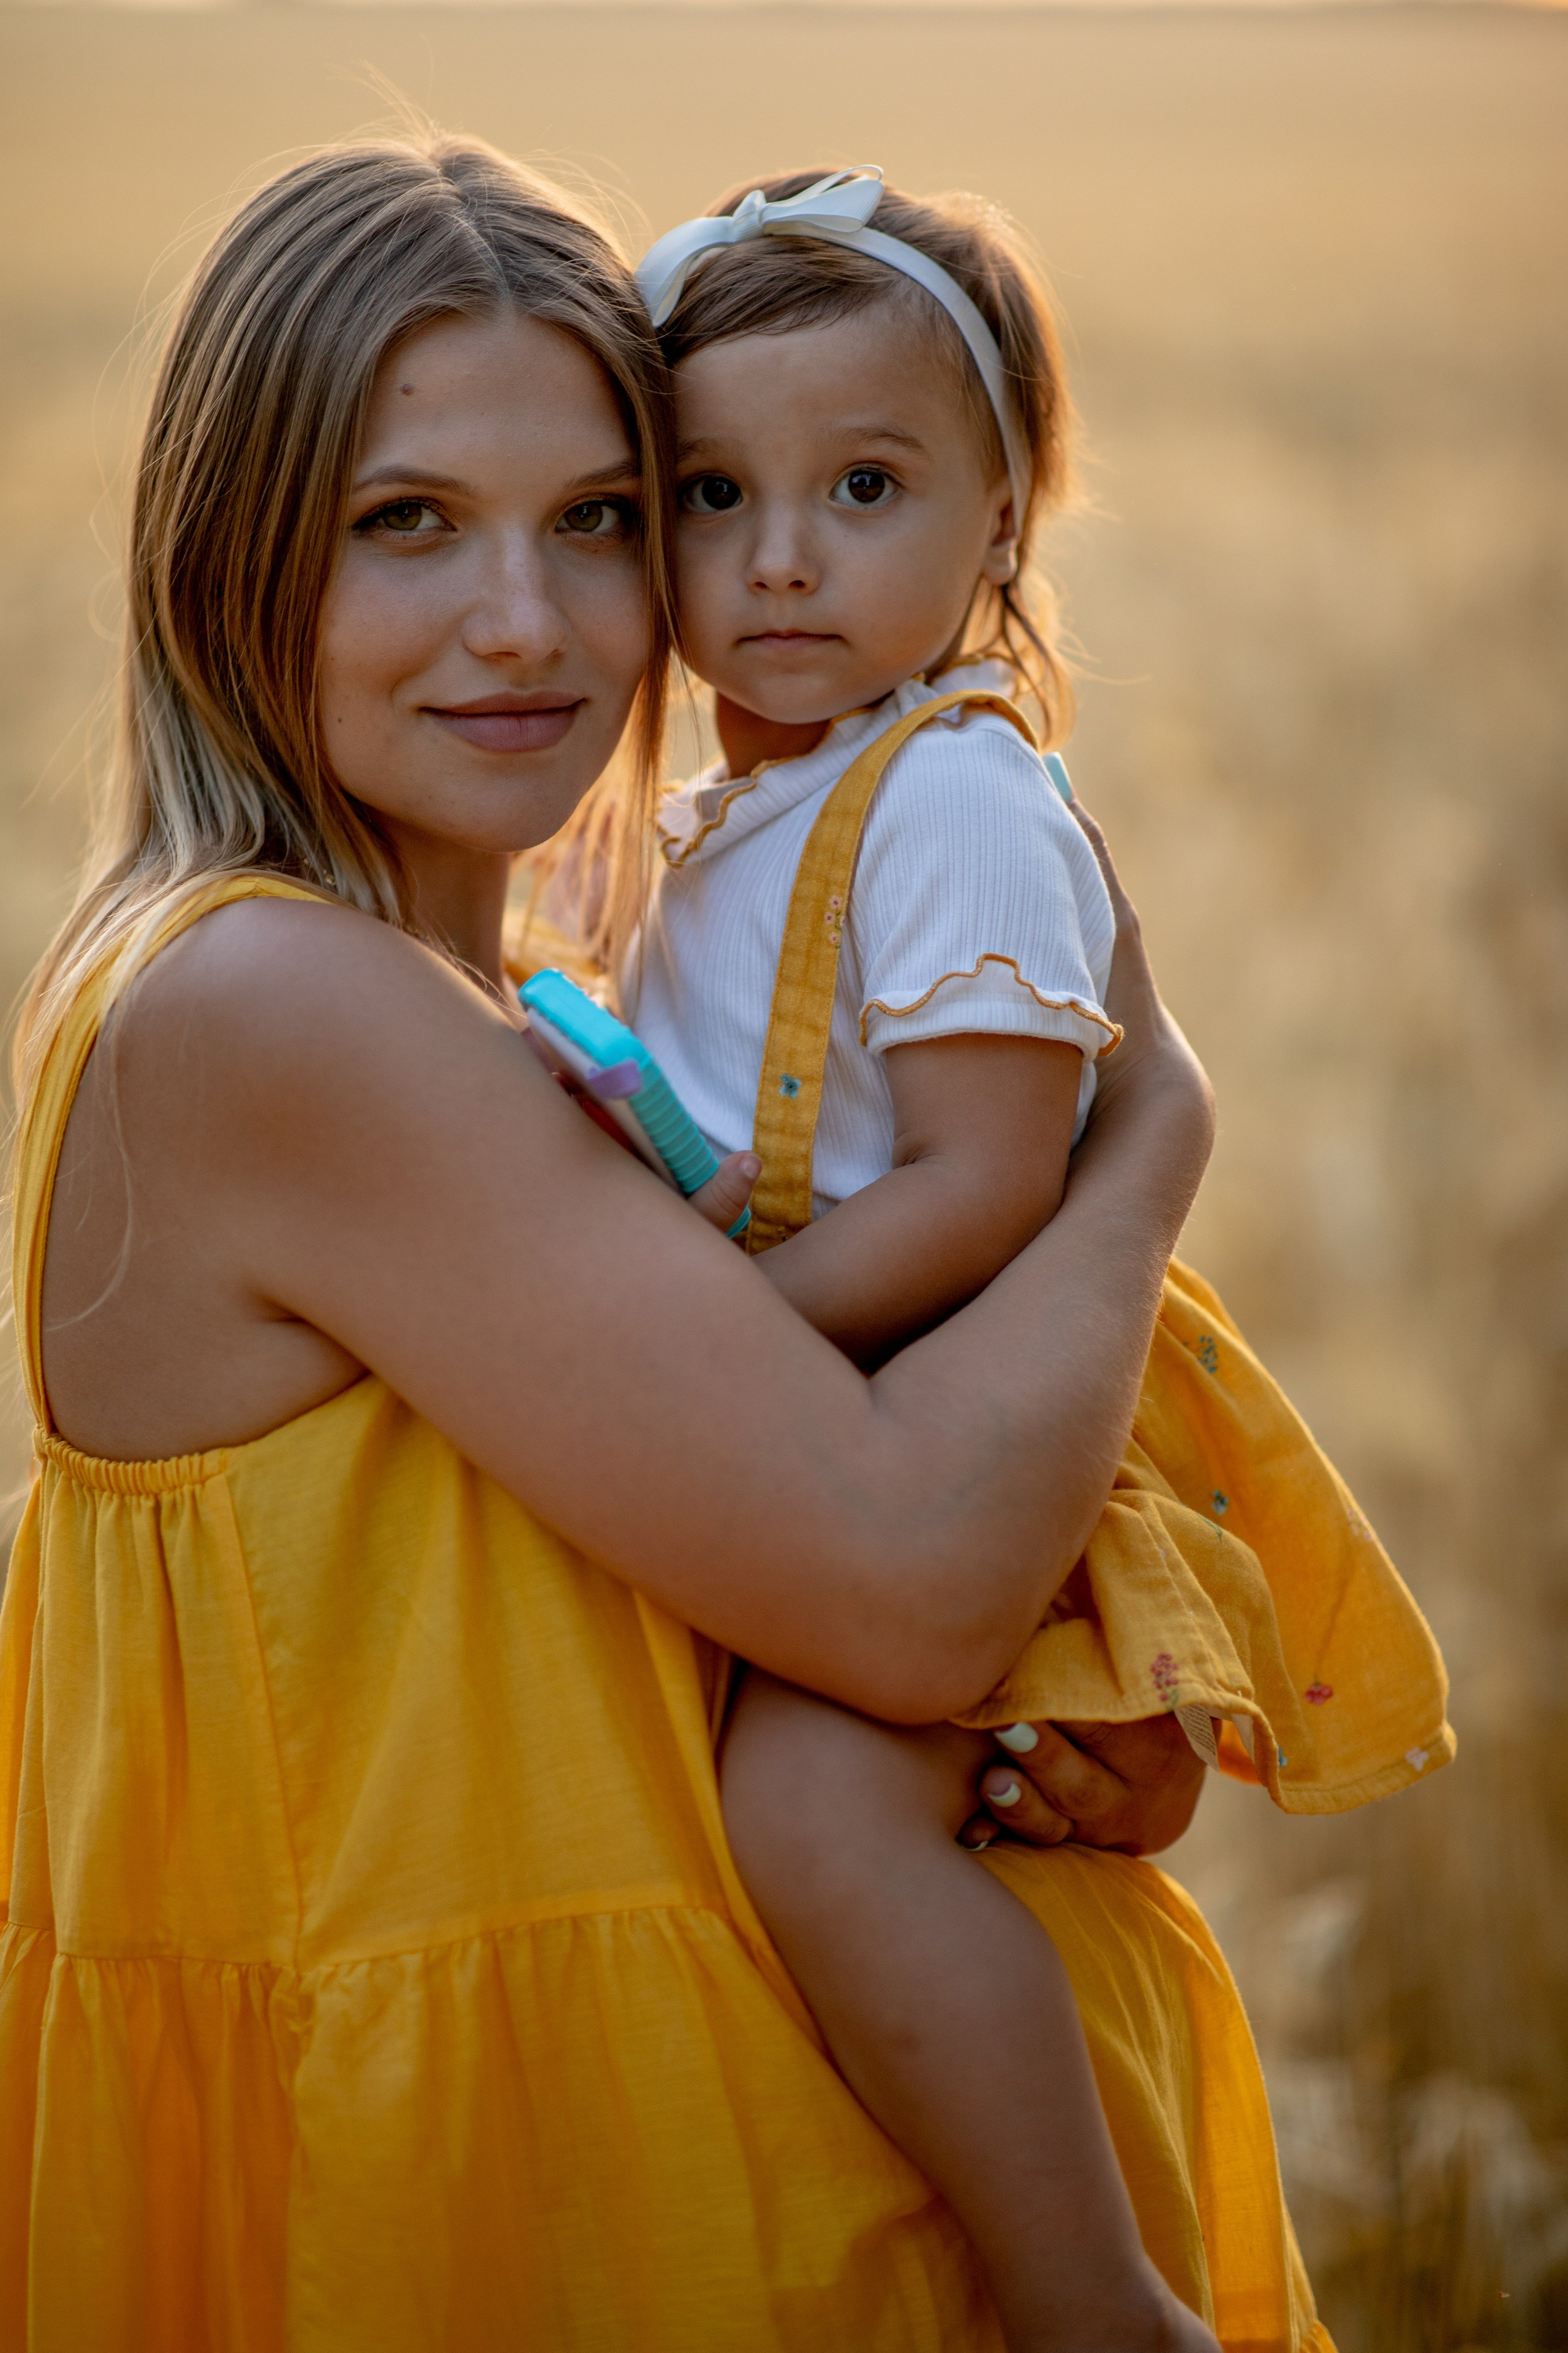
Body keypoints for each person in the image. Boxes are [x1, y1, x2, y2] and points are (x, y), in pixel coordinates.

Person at [1, 135, 1333, 2351]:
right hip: (500, 2206)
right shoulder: (279, 1011)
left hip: (719, 2146)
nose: (528, 621)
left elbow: (665, 1606)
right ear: (228, 552)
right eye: (402, 520)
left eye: (603, 520)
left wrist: (1040, 1738)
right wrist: (1146, 1142)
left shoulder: (515, 1013)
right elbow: (901, 1579)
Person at [617, 168, 1455, 2351]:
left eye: (864, 486)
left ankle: (1104, 2302)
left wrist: (702, 1341)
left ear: (1001, 525)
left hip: (965, 1413)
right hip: (832, 1394)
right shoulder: (747, 808)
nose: (779, 554)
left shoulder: (957, 797)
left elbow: (994, 1180)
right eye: (712, 491)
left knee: (822, 1809)